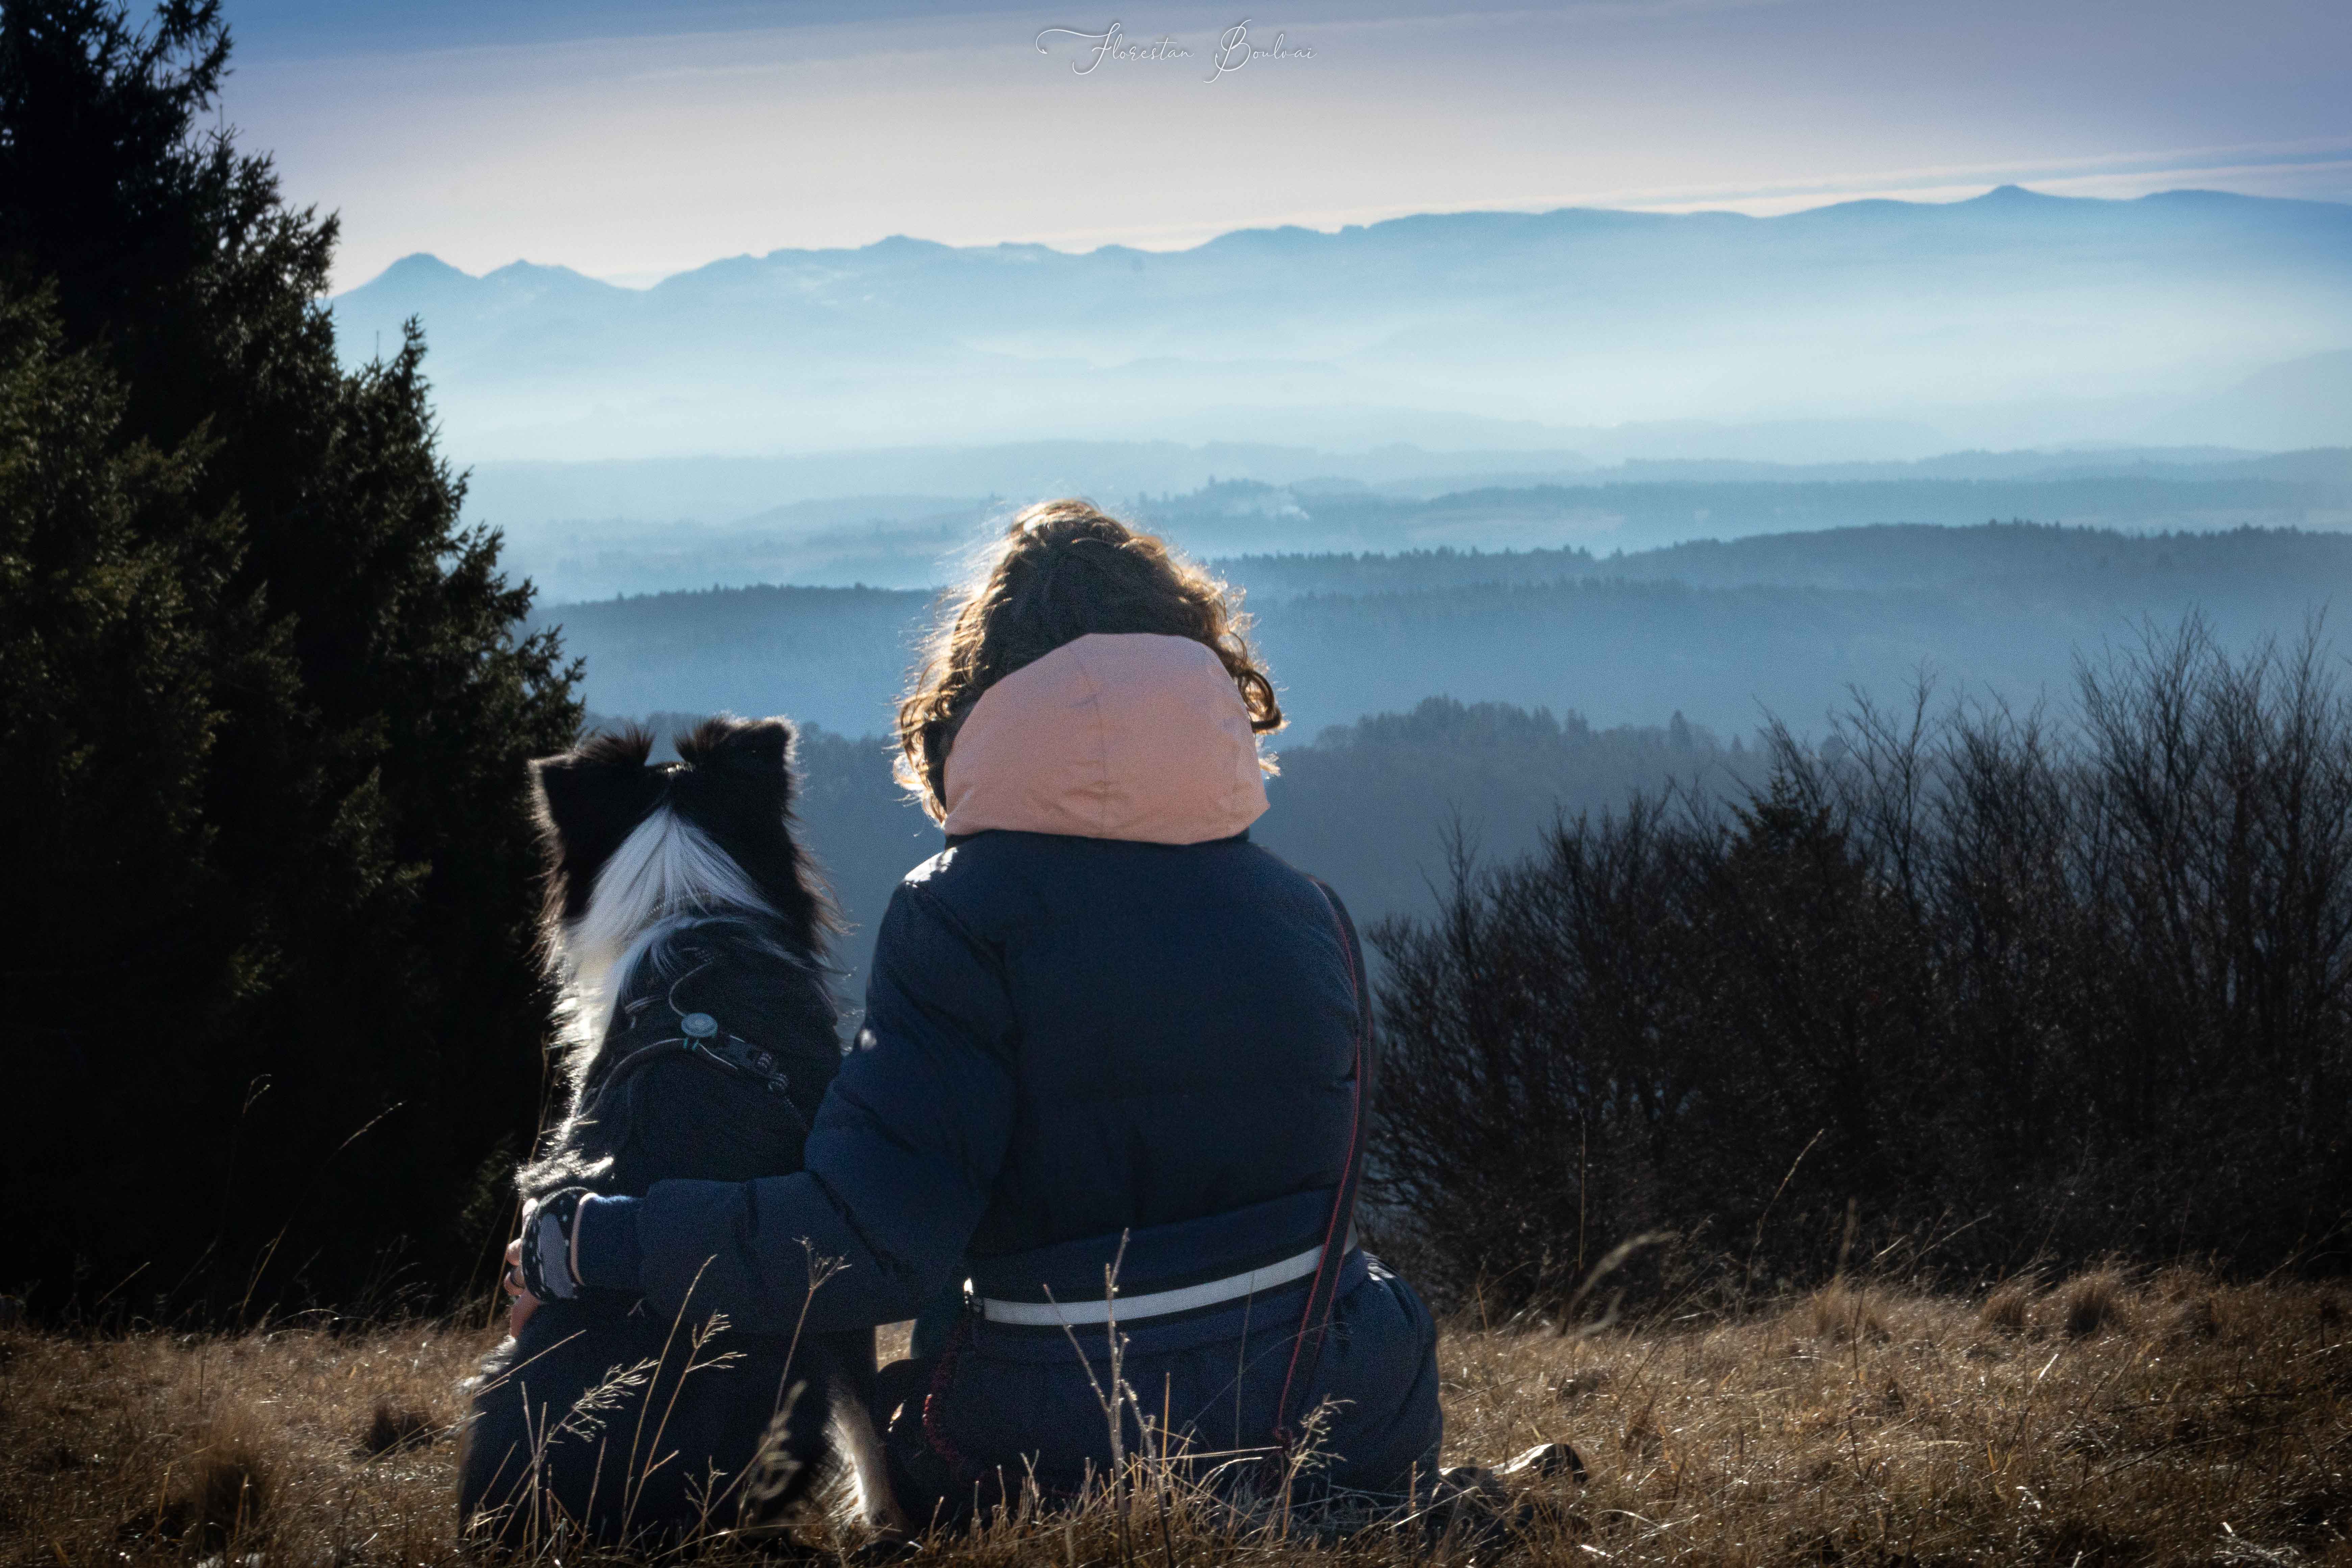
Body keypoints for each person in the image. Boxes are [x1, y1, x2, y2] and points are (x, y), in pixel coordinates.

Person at [505, 499, 1442, 1527]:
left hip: (1063, 1451)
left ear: (979, 696)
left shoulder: (960, 915)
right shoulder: (1309, 912)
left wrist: (595, 1243)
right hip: (1352, 1416)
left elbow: (864, 1247)